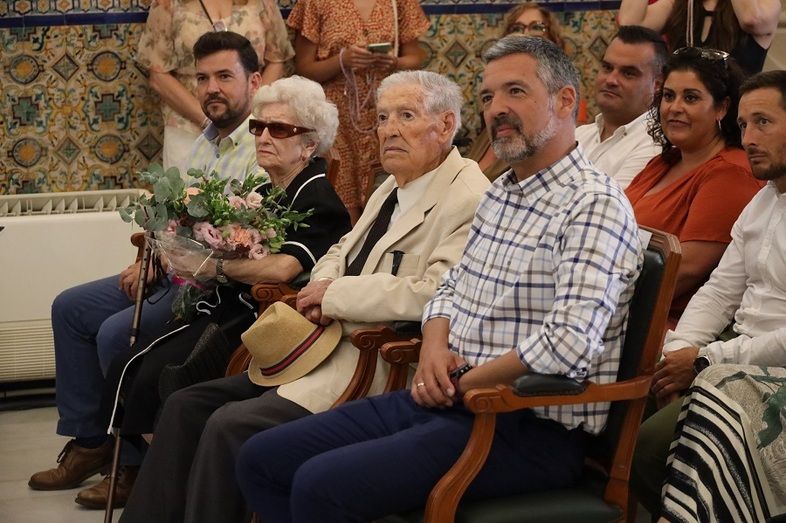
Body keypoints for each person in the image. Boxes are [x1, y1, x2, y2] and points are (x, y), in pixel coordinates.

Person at [234, 35, 644, 522]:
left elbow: (569, 342)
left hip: (525, 423)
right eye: (488, 96)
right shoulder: (503, 194)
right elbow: (449, 288)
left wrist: (465, 380)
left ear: (565, 100)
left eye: (515, 91)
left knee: (320, 486)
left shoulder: (592, 204)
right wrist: (433, 347)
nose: (496, 109)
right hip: (450, 397)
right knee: (261, 459)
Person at [118, 70, 490, 523]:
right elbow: (340, 249)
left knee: (229, 425)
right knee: (186, 405)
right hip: (315, 346)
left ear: (446, 125)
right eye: (382, 117)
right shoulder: (394, 184)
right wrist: (322, 284)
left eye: (406, 116)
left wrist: (332, 295)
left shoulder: (468, 197)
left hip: (369, 359)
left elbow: (435, 292)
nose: (388, 130)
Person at [90, 74, 353, 509]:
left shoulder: (317, 196)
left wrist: (214, 266)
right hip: (223, 308)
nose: (263, 137)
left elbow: (285, 266)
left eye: (279, 129)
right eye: (259, 127)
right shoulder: (265, 190)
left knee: (159, 376)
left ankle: (172, 480)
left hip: (260, 325)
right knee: (129, 364)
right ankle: (166, 477)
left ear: (309, 144)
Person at [27, 31, 266, 508]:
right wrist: (149, 256)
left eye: (224, 76)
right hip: (169, 270)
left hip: (208, 286)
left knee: (115, 333)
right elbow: (170, 214)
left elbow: (240, 239)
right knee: (70, 308)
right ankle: (91, 442)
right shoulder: (204, 141)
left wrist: (169, 260)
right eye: (203, 78)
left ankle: (134, 466)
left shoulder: (262, 146)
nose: (211, 88)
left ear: (254, 81)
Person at [631, 70, 786, 521]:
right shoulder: (762, 200)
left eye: (763, 123)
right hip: (733, 352)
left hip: (770, 368)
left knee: (650, 448)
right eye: (743, 125)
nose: (748, 138)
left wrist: (702, 362)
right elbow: (719, 291)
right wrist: (677, 355)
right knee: (623, 404)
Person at [624, 46, 762, 327]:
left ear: (722, 108)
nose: (675, 108)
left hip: (657, 327)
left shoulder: (731, 173)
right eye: (668, 96)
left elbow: (681, 272)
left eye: (691, 97)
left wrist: (591, 294)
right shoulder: (663, 162)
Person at [287, 0, 430, 223]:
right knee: (342, 202)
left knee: (388, 198)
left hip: (386, 117)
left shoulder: (399, 2)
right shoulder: (315, 3)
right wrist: (341, 60)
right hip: (337, 119)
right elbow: (303, 68)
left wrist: (393, 62)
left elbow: (416, 57)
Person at [136, 0, 293, 172]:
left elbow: (277, 59)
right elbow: (158, 74)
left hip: (250, 126)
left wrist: (251, 115)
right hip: (187, 126)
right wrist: (209, 121)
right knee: (186, 187)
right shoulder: (168, 3)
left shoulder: (262, 2)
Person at [466, 1, 567, 182]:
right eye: (517, 28)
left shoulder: (549, 125)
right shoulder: (495, 116)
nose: (525, 33)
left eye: (536, 27)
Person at [575, 25, 666, 189]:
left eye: (628, 73)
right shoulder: (579, 135)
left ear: (657, 85)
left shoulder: (656, 145)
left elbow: (608, 203)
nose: (611, 80)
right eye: (607, 68)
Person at [618, 0, 781, 75]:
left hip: (734, 118)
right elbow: (630, 26)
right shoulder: (678, 4)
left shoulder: (765, 4)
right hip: (683, 114)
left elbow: (751, 19)